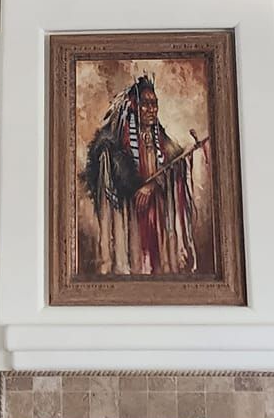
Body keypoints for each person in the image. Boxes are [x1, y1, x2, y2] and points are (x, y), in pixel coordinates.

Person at [83, 73, 200, 277]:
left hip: (156, 211)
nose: (152, 109)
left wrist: (153, 184)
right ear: (134, 105)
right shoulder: (117, 142)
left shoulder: (160, 138)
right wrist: (135, 186)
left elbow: (173, 165)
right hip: (132, 213)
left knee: (158, 260)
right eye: (146, 104)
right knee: (136, 258)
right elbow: (112, 179)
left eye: (155, 104)